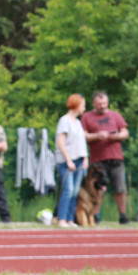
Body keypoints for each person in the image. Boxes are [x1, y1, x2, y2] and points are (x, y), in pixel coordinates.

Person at [81, 91, 131, 224]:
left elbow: (125, 132)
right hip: (98, 160)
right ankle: (95, 215)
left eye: (104, 103)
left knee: (120, 188)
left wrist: (117, 136)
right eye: (99, 104)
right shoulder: (87, 117)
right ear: (94, 104)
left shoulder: (115, 115)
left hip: (116, 158)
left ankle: (123, 215)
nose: (102, 106)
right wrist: (97, 136)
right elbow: (83, 135)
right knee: (97, 189)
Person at [55, 94, 89, 228]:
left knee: (75, 191)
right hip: (67, 161)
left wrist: (85, 158)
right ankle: (62, 218)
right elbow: (60, 142)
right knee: (68, 190)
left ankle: (70, 219)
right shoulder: (64, 121)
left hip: (80, 160)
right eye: (83, 105)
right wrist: (68, 160)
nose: (84, 108)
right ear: (76, 105)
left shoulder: (78, 122)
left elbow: (81, 142)